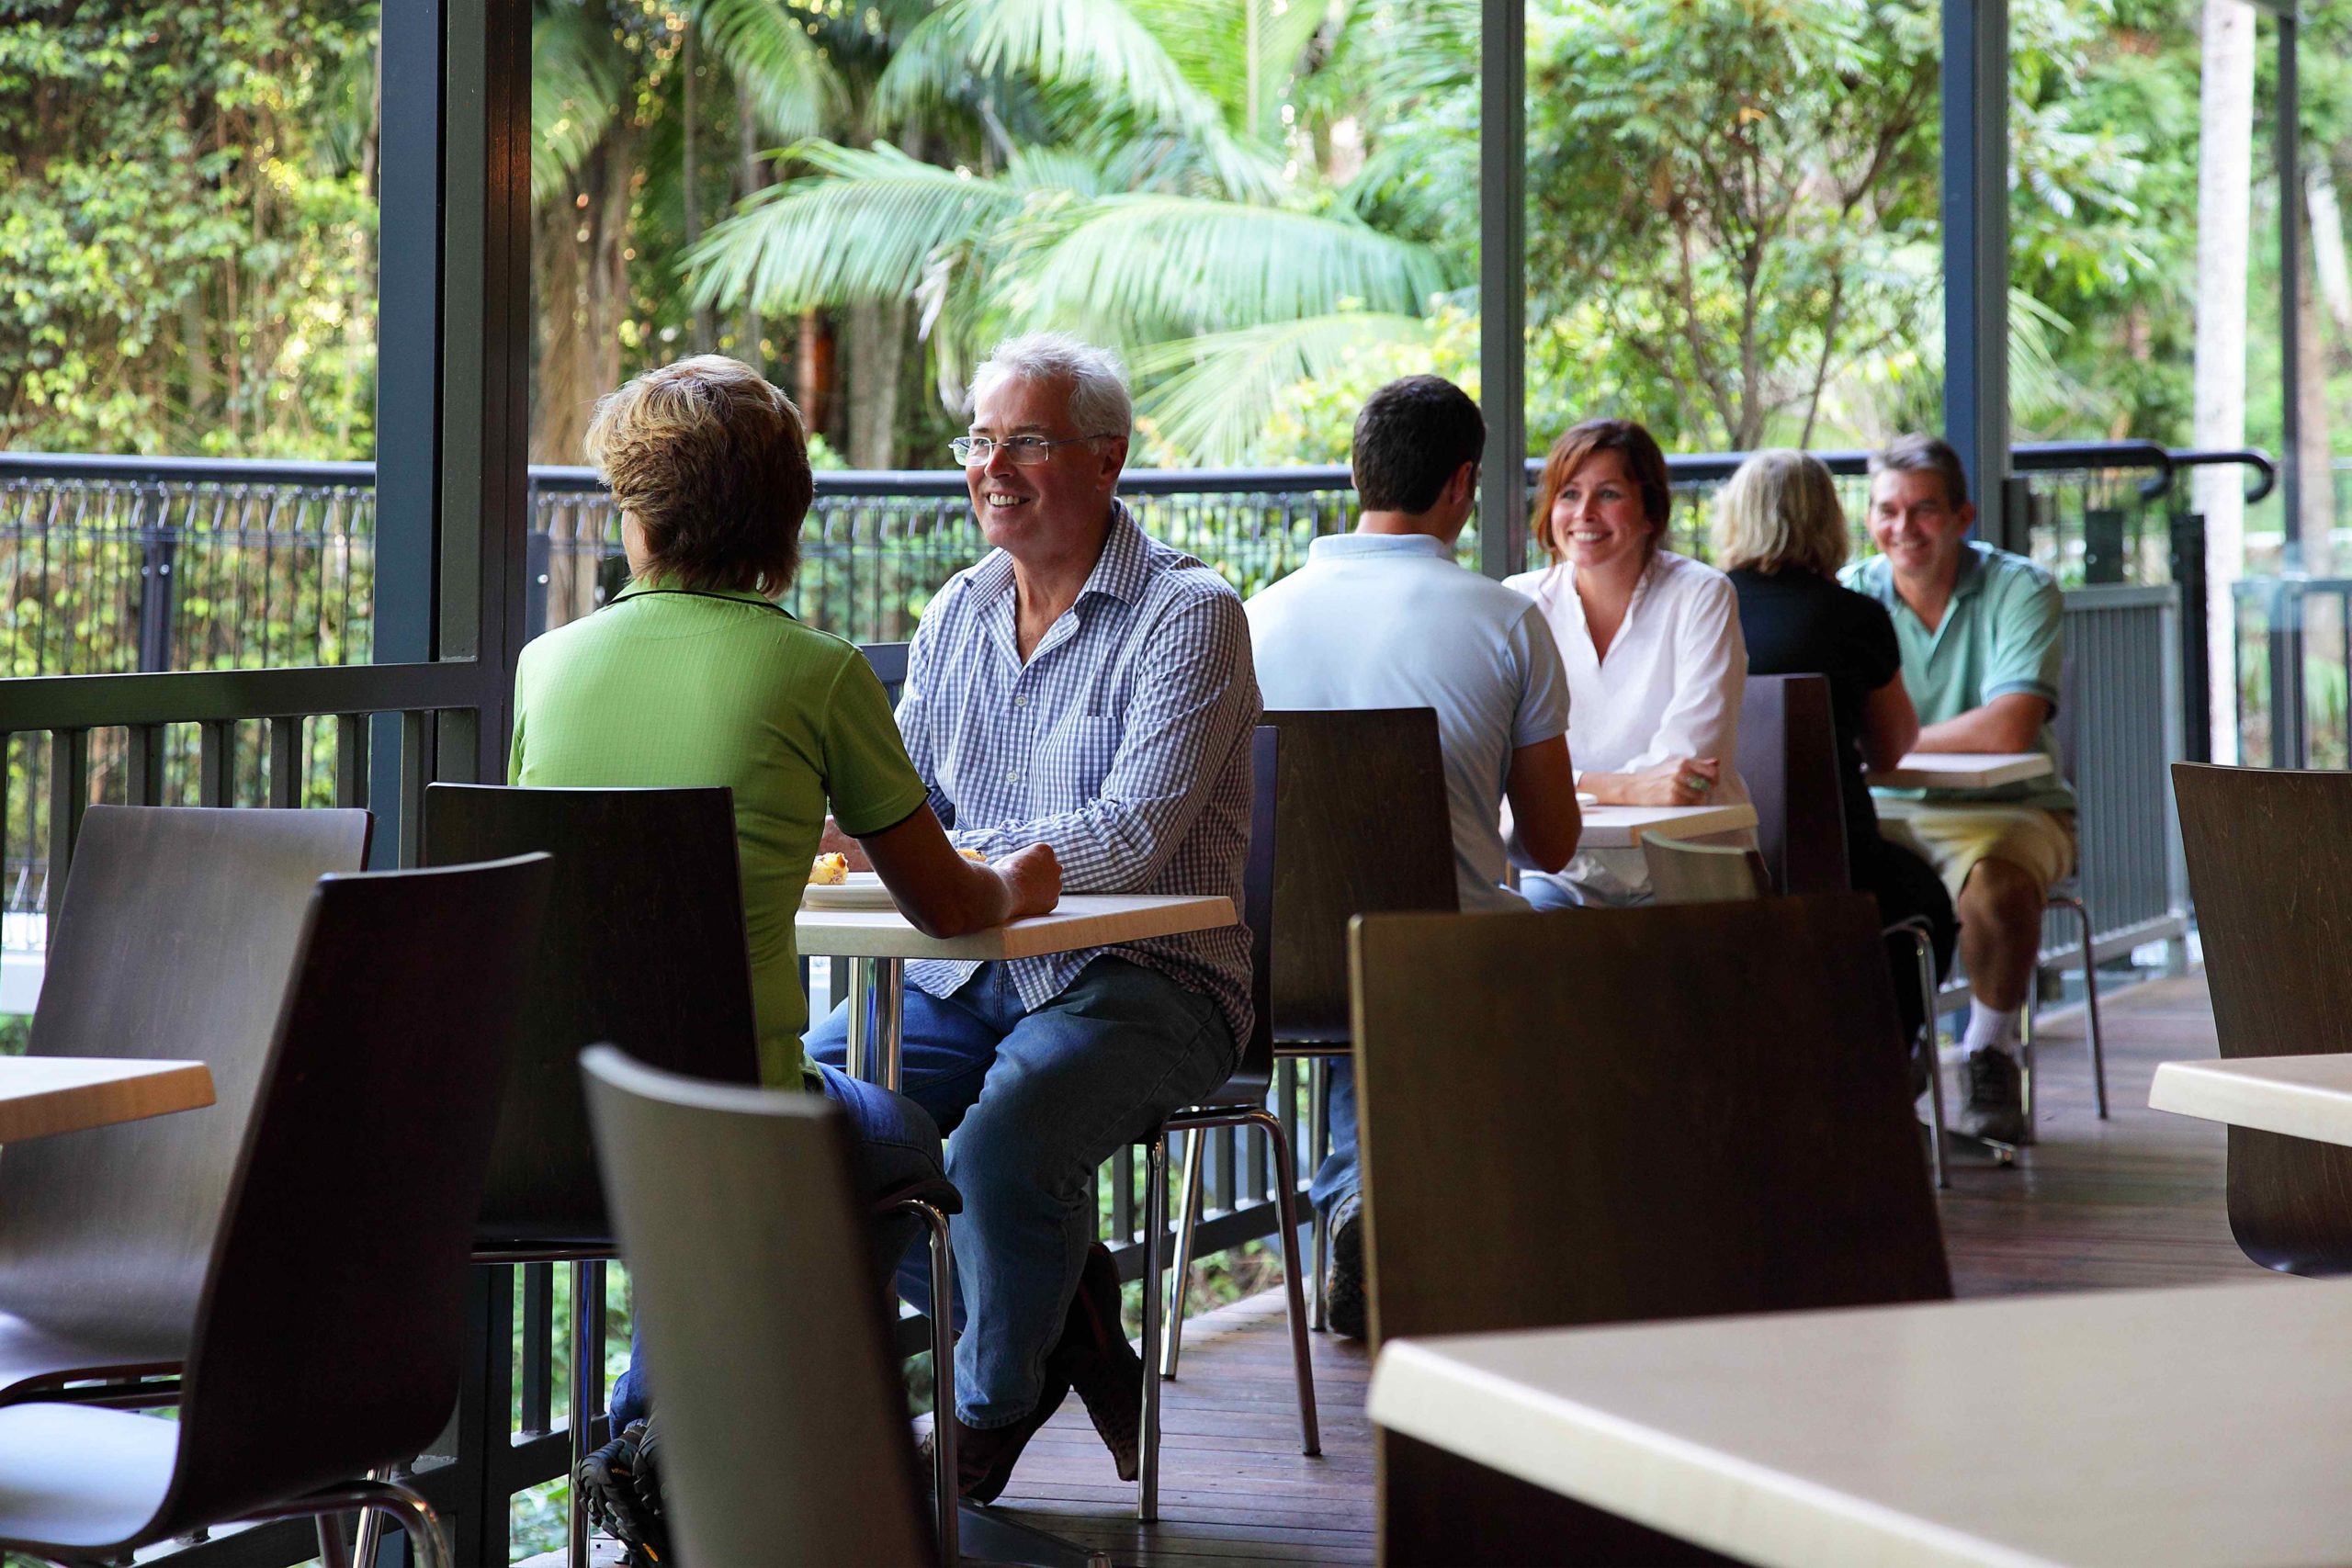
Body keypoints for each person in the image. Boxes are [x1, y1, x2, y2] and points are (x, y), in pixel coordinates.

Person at [506, 355, 1062, 1562]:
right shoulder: (813, 672)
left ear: (639, 513)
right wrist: (1020, 872)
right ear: (784, 519)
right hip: (733, 1121)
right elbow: (948, 902)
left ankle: (705, 1455)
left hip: (549, 1126)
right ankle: (721, 1443)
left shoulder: (546, 667)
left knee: (739, 1163)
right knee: (898, 1138)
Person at [806, 333, 1261, 1501]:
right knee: (812, 1124)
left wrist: (952, 861)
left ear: (1107, 460)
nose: (990, 467)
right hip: (968, 964)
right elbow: (907, 807)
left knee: (1002, 1153)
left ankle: (987, 1411)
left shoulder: (1190, 614)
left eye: (1027, 442)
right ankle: (1070, 1326)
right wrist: (865, 836)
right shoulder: (959, 610)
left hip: (1153, 974)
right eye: (979, 440)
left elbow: (1130, 833)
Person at [1244, 373, 1581, 1337]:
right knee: (1559, 915)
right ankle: (1514, 1224)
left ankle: (1359, 1207)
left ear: (1358, 474)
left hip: (1267, 971)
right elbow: (1553, 842)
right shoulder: (1507, 619)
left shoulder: (1253, 618)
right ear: (1462, 485)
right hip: (1438, 954)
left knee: (1360, 971)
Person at [1841, 434, 2077, 1147]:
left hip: (2010, 807)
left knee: (1997, 893)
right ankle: (1888, 1051)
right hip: (1886, 812)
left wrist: (1891, 740)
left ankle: (1990, 1050)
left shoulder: (2020, 588)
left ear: (1964, 514)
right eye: (1886, 510)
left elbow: (2011, 728)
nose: (1902, 528)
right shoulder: (1853, 594)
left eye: (1924, 510)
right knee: (1822, 880)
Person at [1713, 448, 1958, 1060]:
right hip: (1836, 862)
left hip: (1712, 858)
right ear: (1829, 520)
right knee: (1926, 902)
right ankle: (1882, 1062)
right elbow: (1894, 748)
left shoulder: (1701, 607)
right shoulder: (1856, 616)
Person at [1504, 417, 1751, 906]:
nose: (1585, 513)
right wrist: (1626, 787)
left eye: (1609, 494)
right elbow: (1504, 770)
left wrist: (1563, 788)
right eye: (1569, 494)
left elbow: (1688, 773)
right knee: (1525, 944)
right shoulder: (1519, 604)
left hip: (1684, 863)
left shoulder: (1702, 594)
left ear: (1650, 510)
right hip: (1561, 870)